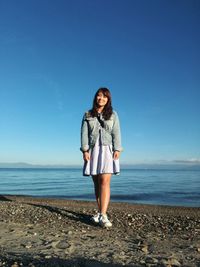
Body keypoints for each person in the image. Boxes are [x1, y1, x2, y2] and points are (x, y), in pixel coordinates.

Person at [80, 87, 122, 228]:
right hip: (92, 150)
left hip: (107, 149)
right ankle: (99, 212)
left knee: (104, 181)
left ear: (108, 99)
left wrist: (117, 148)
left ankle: (103, 215)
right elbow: (84, 134)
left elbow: (116, 132)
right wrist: (85, 150)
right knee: (96, 182)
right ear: (95, 97)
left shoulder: (113, 114)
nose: (101, 99)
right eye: (99, 96)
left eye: (105, 97)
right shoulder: (87, 114)